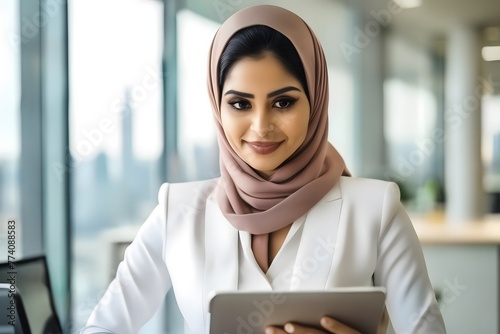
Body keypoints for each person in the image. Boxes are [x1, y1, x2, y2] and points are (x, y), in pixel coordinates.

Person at [82, 5, 446, 334]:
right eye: (240, 103)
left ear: (315, 102)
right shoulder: (176, 209)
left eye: (283, 102)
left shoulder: (376, 208)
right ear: (217, 107)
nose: (261, 126)